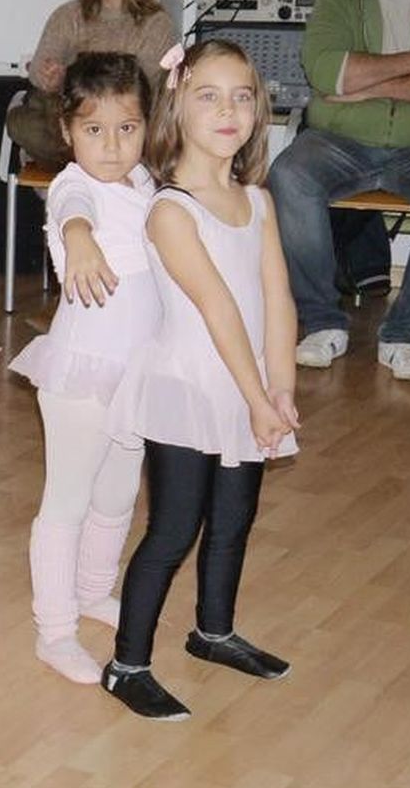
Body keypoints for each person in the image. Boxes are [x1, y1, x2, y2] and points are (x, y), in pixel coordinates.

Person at [101, 40, 300, 721]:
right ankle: (126, 665)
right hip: (188, 388)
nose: (228, 110)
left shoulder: (258, 201)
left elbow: (277, 298)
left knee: (234, 519)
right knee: (174, 528)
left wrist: (280, 388)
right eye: (209, 95)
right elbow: (217, 308)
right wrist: (258, 398)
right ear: (178, 107)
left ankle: (213, 631)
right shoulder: (171, 210)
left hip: (246, 387)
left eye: (242, 96)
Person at [7, 53, 157, 684]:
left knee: (119, 494)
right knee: (66, 501)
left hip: (135, 375)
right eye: (95, 129)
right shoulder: (75, 187)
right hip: (82, 376)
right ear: (68, 131)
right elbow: (73, 212)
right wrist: (79, 237)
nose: (113, 145)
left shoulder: (145, 183)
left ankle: (94, 591)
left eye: (127, 127)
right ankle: (55, 631)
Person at [269, 0, 410, 381]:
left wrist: (365, 84)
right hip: (339, 139)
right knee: (288, 175)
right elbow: (325, 72)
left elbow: (345, 80)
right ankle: (322, 323)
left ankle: (405, 333)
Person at [7, 0, 177, 167]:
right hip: (75, 119)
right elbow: (38, 70)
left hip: (126, 125)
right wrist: (52, 78)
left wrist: (77, 79)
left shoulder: (156, 24)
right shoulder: (68, 15)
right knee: (24, 120)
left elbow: (145, 86)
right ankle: (91, 160)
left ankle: (94, 162)